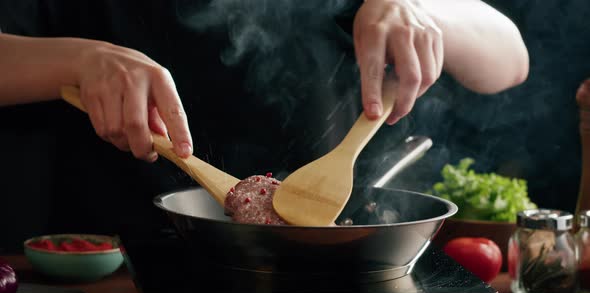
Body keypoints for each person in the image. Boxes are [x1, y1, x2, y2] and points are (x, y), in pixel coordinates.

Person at [0, 0, 528, 249]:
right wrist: (78, 59)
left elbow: (509, 56)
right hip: (120, 261)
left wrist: (422, 10)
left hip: (331, 260)